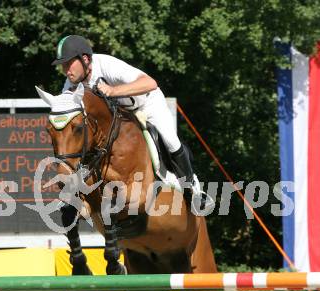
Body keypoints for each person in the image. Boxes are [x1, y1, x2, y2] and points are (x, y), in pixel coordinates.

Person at [52, 34, 209, 207]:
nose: (66, 70)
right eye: (63, 65)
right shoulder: (70, 84)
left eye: (68, 64)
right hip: (123, 116)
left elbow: (150, 83)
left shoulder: (106, 65)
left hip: (147, 104)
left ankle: (192, 189)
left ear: (85, 59)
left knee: (170, 140)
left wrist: (113, 90)